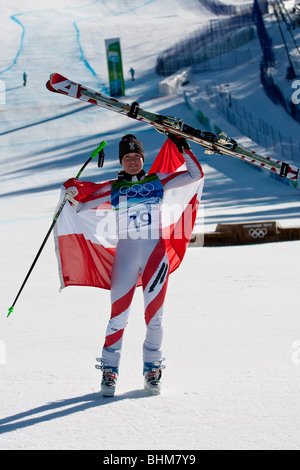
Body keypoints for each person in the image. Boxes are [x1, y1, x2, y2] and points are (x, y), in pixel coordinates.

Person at [63, 133, 204, 397]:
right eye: (127, 157)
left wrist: (182, 146)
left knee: (155, 317)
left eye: (136, 156)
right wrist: (71, 191)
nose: (132, 161)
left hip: (155, 254)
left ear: (142, 158)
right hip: (126, 255)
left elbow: (195, 174)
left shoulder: (158, 180)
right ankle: (109, 370)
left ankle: (152, 368)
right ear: (122, 160)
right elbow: (81, 207)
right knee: (118, 317)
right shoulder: (113, 186)